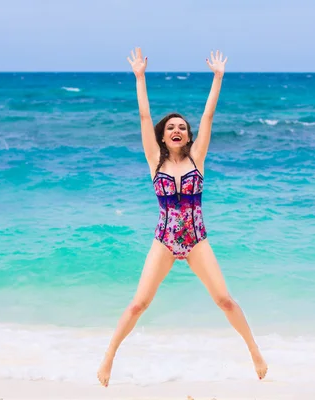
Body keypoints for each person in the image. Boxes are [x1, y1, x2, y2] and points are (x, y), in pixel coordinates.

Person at [97, 47, 268, 387]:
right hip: (164, 241)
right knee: (137, 305)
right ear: (163, 136)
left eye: (182, 127)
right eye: (171, 127)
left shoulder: (197, 159)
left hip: (196, 240)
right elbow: (145, 118)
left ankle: (255, 353)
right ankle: (107, 360)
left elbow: (208, 117)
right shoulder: (154, 161)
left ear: (188, 136)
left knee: (224, 299)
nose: (177, 130)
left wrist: (218, 77)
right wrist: (140, 77)